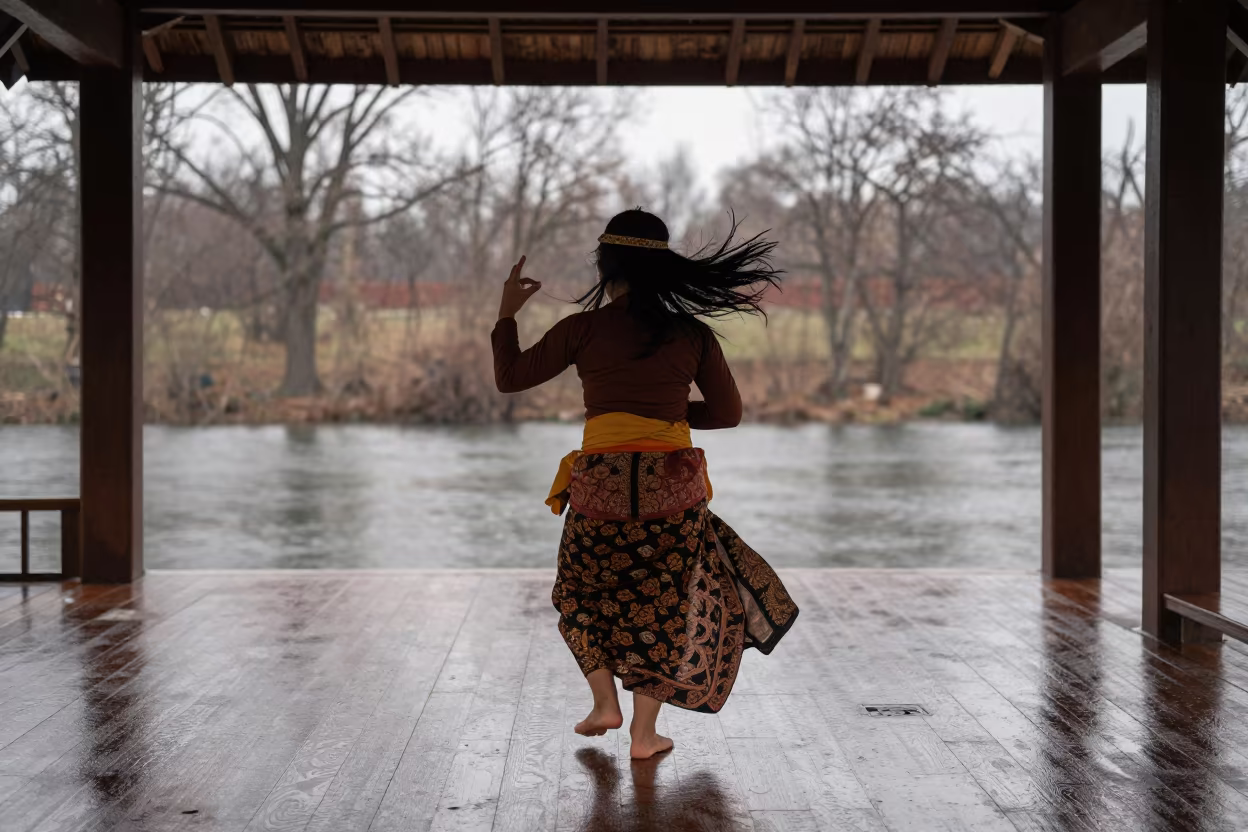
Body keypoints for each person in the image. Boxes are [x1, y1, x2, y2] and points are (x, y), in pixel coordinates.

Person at [491, 208, 799, 760]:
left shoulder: (581, 329)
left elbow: (510, 377)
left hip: (601, 486)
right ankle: (643, 734)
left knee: (579, 592)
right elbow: (727, 414)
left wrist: (507, 313)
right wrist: (666, 414)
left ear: (605, 267)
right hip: (671, 488)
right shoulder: (692, 334)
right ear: (662, 269)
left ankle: (603, 703)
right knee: (665, 602)